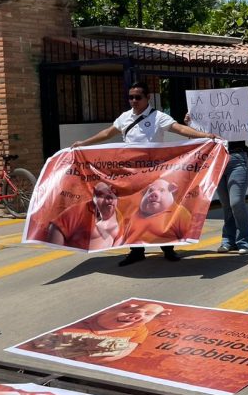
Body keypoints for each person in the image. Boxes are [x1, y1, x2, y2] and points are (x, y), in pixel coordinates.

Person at [71, 82, 218, 266]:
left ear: (148, 98)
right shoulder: (125, 117)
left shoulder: (158, 117)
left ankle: (168, 248)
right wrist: (84, 143)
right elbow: (108, 132)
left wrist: (205, 136)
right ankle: (136, 250)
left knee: (163, 211)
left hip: (155, 173)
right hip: (131, 173)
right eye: (131, 97)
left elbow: (180, 129)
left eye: (138, 97)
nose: (134, 101)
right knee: (131, 211)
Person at [186, 106, 248, 255]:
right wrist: (190, 124)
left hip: (237, 160)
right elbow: (196, 140)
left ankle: (246, 241)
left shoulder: (238, 118)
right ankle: (228, 240)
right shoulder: (208, 122)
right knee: (226, 205)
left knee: (236, 202)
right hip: (216, 161)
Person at [27, 302, 169, 363]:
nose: (138, 316)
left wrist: (80, 355)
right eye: (136, 311)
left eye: (148, 315)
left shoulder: (139, 331)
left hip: (64, 358)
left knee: (116, 346)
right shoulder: (99, 314)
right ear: (128, 307)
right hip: (40, 351)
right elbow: (41, 341)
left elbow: (121, 352)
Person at [47, 182, 123, 250]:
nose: (109, 199)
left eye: (112, 194)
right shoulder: (77, 212)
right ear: (94, 196)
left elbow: (119, 241)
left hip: (106, 262)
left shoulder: (119, 216)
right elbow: (56, 228)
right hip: (79, 261)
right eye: (102, 195)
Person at [121, 178, 194, 245]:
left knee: (167, 243)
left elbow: (187, 231)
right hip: (137, 242)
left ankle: (169, 252)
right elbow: (126, 231)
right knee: (135, 245)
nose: (153, 194)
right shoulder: (136, 212)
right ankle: (136, 254)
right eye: (150, 191)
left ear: (171, 190)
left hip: (166, 241)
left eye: (162, 190)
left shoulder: (178, 212)